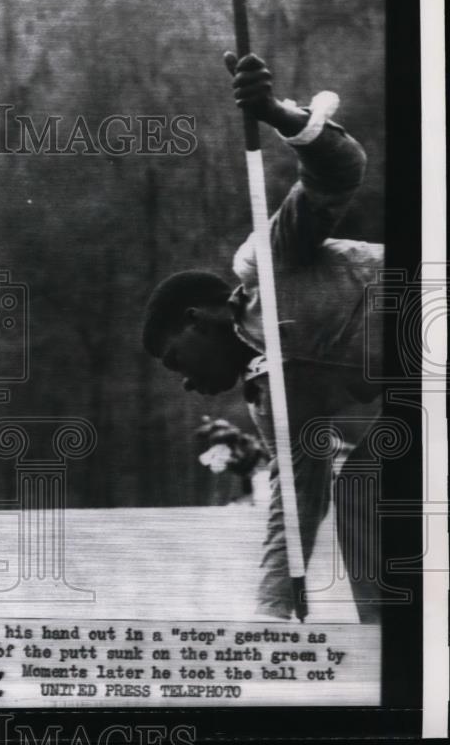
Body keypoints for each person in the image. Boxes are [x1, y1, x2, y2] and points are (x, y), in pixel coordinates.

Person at [141, 52, 383, 623]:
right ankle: (390, 650)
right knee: (361, 492)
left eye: (177, 359)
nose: (185, 384)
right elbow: (292, 505)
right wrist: (272, 612)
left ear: (200, 318)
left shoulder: (265, 264)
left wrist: (279, 114)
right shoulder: (269, 401)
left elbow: (341, 168)